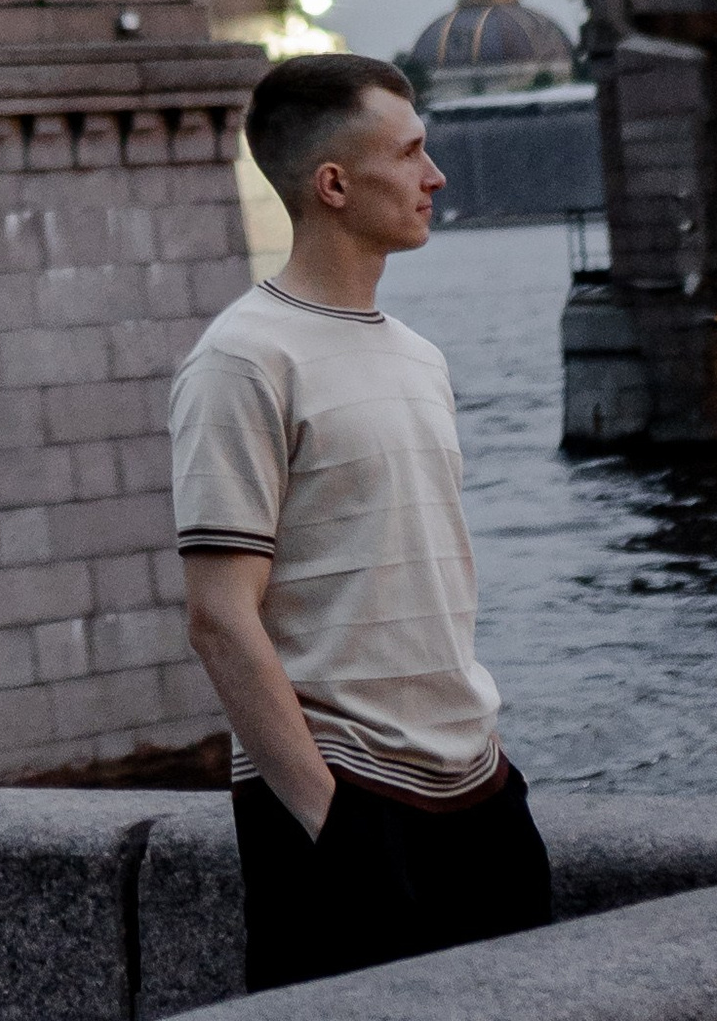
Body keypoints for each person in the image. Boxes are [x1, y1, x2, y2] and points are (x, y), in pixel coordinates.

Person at [170, 49, 552, 992]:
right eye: (411, 152)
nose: (436, 175)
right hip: (351, 806)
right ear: (334, 183)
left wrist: (493, 776)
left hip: (479, 789)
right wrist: (327, 818)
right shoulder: (243, 361)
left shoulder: (419, 357)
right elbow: (220, 613)